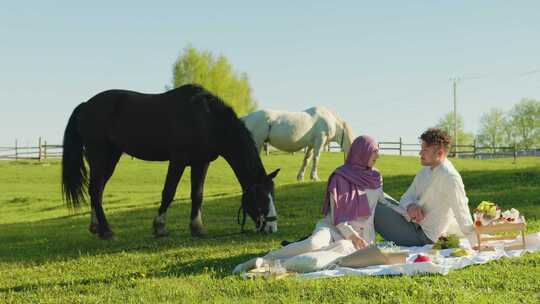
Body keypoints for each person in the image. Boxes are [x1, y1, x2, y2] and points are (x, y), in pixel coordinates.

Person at [233, 135, 385, 273]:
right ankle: (265, 259)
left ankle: (273, 264)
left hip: (361, 239)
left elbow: (385, 202)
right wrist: (353, 236)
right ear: (362, 152)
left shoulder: (376, 178)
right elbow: (338, 216)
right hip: (333, 227)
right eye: (374, 151)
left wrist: (406, 210)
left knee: (328, 254)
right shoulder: (340, 177)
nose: (378, 155)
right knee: (313, 244)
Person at [374, 128, 477, 247]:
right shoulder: (425, 171)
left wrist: (475, 243)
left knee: (370, 204)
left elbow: (462, 212)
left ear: (440, 153)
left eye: (425, 150)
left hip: (423, 237)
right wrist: (410, 206)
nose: (420, 153)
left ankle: (357, 241)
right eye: (421, 149)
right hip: (409, 221)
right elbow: (406, 197)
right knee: (376, 195)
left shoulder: (450, 177)